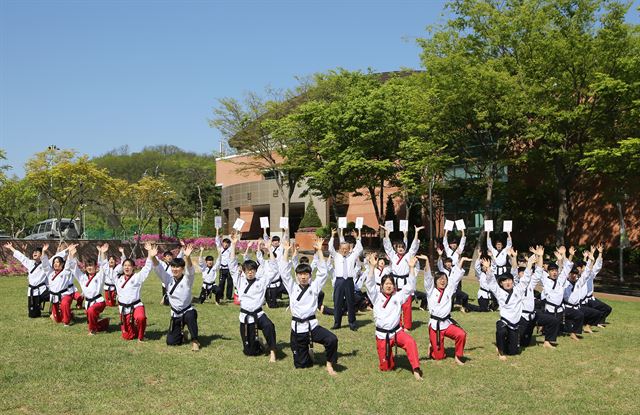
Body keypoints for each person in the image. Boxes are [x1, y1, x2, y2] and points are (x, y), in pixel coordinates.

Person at [277, 239, 339, 376]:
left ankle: (329, 365)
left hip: (312, 326)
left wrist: (320, 251)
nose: (303, 277)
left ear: (310, 275)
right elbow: (283, 272)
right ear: (297, 275)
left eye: (306, 274)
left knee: (332, 339)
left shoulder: (314, 287)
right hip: (298, 328)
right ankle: (307, 352)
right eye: (300, 274)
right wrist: (286, 251)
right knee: (302, 365)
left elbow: (323, 272)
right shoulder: (292, 287)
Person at [364, 252, 423, 380]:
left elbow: (410, 287)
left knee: (410, 342)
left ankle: (416, 369)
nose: (389, 286)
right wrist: (372, 267)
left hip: (397, 332)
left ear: (394, 286)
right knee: (386, 368)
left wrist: (411, 268)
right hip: (382, 335)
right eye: (386, 284)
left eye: (391, 284)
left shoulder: (398, 296)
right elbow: (369, 284)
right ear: (382, 286)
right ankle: (387, 360)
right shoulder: (376, 297)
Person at [229, 232, 278, 362]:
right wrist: (233, 245)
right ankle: (258, 344)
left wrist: (269, 249)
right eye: (247, 270)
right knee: (250, 352)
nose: (250, 272)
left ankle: (272, 350)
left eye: (252, 270)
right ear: (244, 271)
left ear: (256, 271)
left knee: (269, 326)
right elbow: (232, 264)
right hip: (246, 317)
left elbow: (274, 269)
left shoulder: (261, 281)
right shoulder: (239, 280)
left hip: (259, 314)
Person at [479, 254, 535, 360]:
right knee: (501, 331)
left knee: (513, 352)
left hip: (515, 324)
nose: (508, 282)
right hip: (504, 322)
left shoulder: (518, 290)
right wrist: (488, 269)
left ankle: (504, 344)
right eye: (505, 281)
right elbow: (491, 282)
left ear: (513, 281)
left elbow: (525, 280)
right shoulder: (499, 292)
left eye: (509, 280)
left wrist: (529, 265)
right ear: (501, 283)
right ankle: (500, 351)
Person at [420, 254, 470, 365]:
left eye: (444, 279)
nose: (443, 281)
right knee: (439, 357)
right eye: (440, 279)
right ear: (435, 281)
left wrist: (461, 260)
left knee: (461, 334)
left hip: (446, 323)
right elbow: (428, 277)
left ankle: (458, 356)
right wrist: (428, 260)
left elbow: (455, 276)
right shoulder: (430, 291)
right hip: (435, 325)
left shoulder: (449, 290)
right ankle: (433, 346)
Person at [153, 243, 201, 351]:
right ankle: (182, 333)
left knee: (190, 315)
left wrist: (187, 257)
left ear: (182, 268)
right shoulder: (167, 278)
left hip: (187, 310)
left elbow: (190, 269)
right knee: (171, 342)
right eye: (173, 267)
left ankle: (195, 341)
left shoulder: (187, 279)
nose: (175, 269)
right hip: (175, 313)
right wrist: (152, 257)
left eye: (177, 267)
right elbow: (158, 268)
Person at [381, 224, 423, 330]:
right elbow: (387, 247)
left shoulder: (408, 255)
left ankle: (407, 326)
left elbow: (414, 247)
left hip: (406, 283)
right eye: (399, 247)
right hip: (395, 283)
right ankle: (397, 325)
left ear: (405, 248)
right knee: (396, 305)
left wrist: (416, 233)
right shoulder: (393, 255)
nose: (401, 249)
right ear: (396, 248)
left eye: (403, 247)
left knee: (407, 306)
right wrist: (387, 234)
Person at [114, 243, 155, 341]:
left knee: (141, 318)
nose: (127, 268)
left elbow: (147, 268)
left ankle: (141, 337)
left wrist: (149, 253)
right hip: (124, 308)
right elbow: (106, 269)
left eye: (129, 266)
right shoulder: (117, 278)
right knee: (128, 337)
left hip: (136, 306)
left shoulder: (137, 277)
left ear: (133, 267)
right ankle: (134, 329)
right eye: (125, 266)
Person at [540, 246, 583, 341]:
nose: (554, 273)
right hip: (549, 308)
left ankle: (549, 333)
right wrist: (540, 256)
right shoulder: (545, 280)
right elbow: (539, 269)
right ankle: (545, 335)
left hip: (559, 309)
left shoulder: (560, 280)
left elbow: (566, 269)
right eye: (552, 271)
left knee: (557, 329)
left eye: (555, 271)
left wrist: (569, 255)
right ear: (548, 272)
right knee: (549, 326)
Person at [67, 244, 110, 335]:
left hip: (99, 301)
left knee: (91, 311)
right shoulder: (82, 277)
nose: (90, 268)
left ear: (96, 267)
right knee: (92, 319)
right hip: (88, 303)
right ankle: (104, 323)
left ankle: (92, 331)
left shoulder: (99, 276)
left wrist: (102, 253)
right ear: (85, 268)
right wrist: (71, 254)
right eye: (88, 266)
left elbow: (104, 266)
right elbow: (73, 268)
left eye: (92, 266)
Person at [328, 228, 363, 331]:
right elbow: (330, 248)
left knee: (350, 302)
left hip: (349, 281)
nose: (344, 250)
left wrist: (357, 238)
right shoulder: (336, 256)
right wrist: (332, 236)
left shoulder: (352, 256)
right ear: (339, 248)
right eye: (343, 248)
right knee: (337, 302)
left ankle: (352, 323)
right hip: (339, 281)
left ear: (349, 249)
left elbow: (359, 249)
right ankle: (337, 323)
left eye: (346, 248)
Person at [4, 242, 50, 318]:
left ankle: (55, 309)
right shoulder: (30, 263)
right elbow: (21, 257)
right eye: (34, 252)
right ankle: (37, 308)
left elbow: (45, 260)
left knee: (55, 295)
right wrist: (11, 247)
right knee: (33, 315)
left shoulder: (45, 264)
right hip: (33, 291)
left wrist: (44, 251)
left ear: (41, 255)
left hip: (43, 290)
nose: (34, 253)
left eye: (37, 252)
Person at [43, 244, 78, 326]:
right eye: (54, 262)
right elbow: (44, 264)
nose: (55, 264)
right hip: (54, 297)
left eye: (57, 262)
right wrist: (43, 251)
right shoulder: (50, 273)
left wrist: (70, 252)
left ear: (62, 264)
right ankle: (70, 314)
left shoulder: (65, 272)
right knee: (58, 320)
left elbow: (69, 263)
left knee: (64, 304)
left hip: (65, 295)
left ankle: (67, 322)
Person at [581, 244, 612, 325]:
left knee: (607, 308)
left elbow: (597, 266)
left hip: (591, 298)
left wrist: (600, 253)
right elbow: (585, 265)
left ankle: (599, 322)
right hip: (584, 301)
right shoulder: (579, 276)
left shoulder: (591, 274)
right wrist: (587, 257)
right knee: (597, 311)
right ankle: (595, 322)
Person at [215, 227, 234, 302]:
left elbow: (234, 242)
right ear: (222, 243)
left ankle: (229, 296)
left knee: (230, 283)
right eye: (224, 243)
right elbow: (217, 240)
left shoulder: (230, 249)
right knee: (221, 283)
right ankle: (220, 296)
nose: (226, 244)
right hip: (222, 269)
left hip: (229, 269)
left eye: (227, 243)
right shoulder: (220, 248)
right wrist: (217, 230)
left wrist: (232, 236)